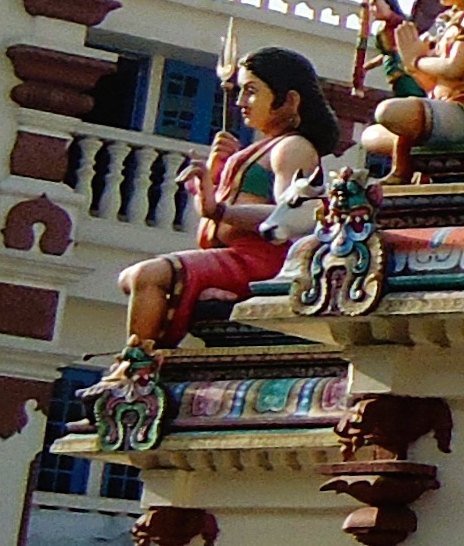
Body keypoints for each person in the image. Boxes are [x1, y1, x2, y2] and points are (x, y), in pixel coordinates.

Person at [118, 50, 340, 345]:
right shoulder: (261, 149)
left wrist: (221, 210)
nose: (239, 103)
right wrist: (213, 175)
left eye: (251, 92)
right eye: (240, 92)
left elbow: (292, 217)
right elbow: (213, 210)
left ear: (289, 101)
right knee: (129, 280)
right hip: (232, 256)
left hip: (260, 261)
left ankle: (139, 364)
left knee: (146, 277)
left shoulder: (293, 148)